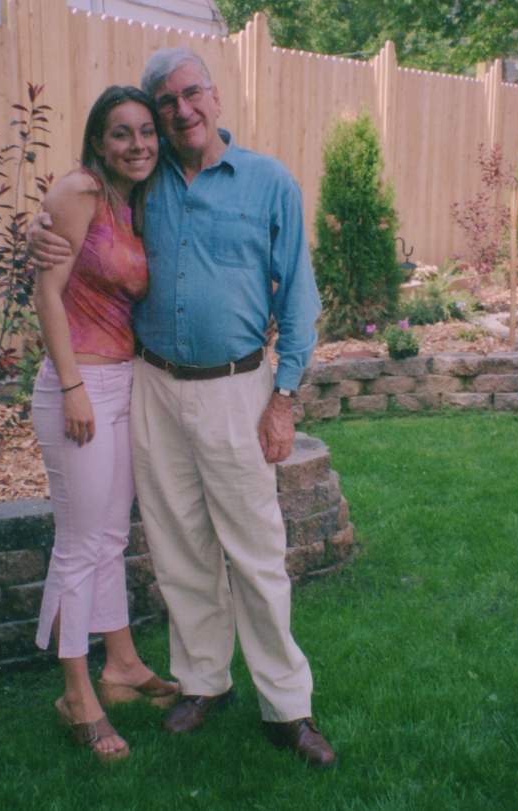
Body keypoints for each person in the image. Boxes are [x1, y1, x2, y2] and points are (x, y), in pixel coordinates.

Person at [30, 50, 337, 769]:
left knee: (256, 552)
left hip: (237, 388)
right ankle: (202, 682)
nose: (179, 111)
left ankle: (287, 707)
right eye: (164, 102)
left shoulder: (268, 182)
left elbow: (299, 299)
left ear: (215, 96)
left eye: (189, 93)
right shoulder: (145, 178)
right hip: (152, 385)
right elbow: (77, 218)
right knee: (178, 545)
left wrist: (284, 397)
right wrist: (35, 231)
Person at [31, 85, 178, 764]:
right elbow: (47, 295)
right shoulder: (80, 191)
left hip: (124, 383)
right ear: (98, 140)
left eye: (147, 131)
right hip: (79, 385)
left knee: (112, 536)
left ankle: (121, 664)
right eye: (122, 133)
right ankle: (76, 696)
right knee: (79, 543)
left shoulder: (135, 200)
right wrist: (72, 388)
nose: (138, 144)